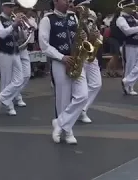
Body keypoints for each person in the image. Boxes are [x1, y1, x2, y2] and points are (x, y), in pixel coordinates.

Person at [38, 0, 88, 144]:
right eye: (65, 0)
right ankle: (67, 131)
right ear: (55, 1)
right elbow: (44, 45)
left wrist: (84, 36)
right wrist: (61, 57)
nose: (68, 2)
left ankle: (59, 123)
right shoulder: (47, 19)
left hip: (76, 59)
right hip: (60, 61)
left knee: (83, 95)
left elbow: (78, 36)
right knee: (63, 98)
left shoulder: (73, 17)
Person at [0, 0, 25, 116]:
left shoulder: (13, 20)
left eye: (12, 7)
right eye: (9, 7)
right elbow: (1, 34)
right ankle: (8, 106)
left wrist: (22, 28)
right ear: (3, 7)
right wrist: (14, 25)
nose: (12, 9)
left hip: (15, 51)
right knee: (6, 81)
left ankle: (0, 99)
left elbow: (21, 37)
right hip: (4, 52)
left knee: (20, 79)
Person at [74, 1, 102, 124]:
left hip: (90, 54)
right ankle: (79, 111)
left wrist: (97, 37)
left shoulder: (91, 20)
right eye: (84, 6)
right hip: (78, 55)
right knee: (82, 88)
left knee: (96, 84)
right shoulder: (73, 19)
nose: (87, 9)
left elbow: (98, 36)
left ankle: (82, 109)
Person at [115, 0, 138, 95]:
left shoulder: (132, 17)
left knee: (134, 66)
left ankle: (128, 81)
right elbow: (127, 31)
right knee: (129, 66)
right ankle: (127, 87)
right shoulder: (120, 18)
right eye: (131, 6)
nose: (133, 8)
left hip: (136, 44)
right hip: (127, 45)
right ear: (125, 8)